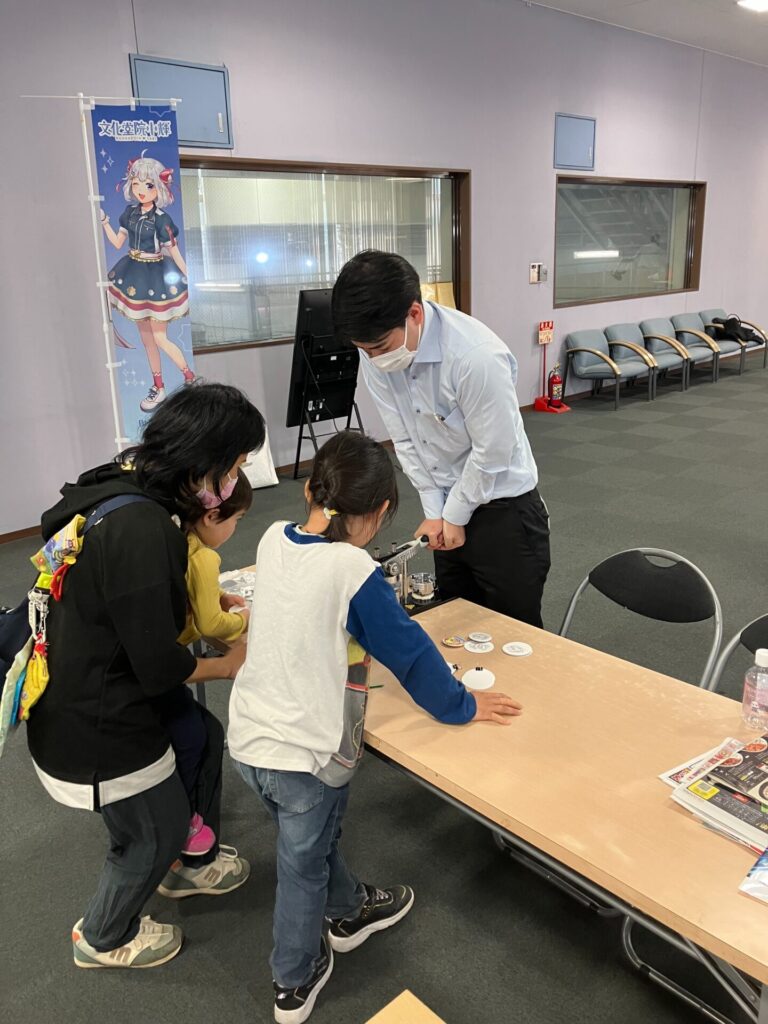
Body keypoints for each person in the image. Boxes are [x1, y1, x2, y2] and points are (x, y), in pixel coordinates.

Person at [228, 430, 522, 1024]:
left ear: (310, 490)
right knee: (302, 864)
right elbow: (407, 650)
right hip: (303, 754)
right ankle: (293, 979)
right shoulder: (353, 568)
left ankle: (351, 909)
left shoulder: (271, 537)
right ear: (382, 510)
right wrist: (462, 704)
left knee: (310, 839)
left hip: (248, 737)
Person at [26, 383, 265, 970]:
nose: (234, 479)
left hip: (96, 670)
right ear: (206, 462)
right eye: (234, 466)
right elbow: (160, 667)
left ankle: (190, 863)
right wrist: (226, 665)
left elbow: (133, 600)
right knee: (150, 831)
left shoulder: (123, 481)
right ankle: (103, 936)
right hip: (94, 716)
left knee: (203, 737)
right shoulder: (142, 528)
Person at [332, 250, 551, 628]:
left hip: (505, 512)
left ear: (414, 314)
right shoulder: (374, 352)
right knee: (455, 626)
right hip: (448, 506)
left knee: (515, 636)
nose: (374, 358)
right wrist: (435, 510)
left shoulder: (476, 357)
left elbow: (492, 452)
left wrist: (453, 514)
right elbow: (405, 439)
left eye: (379, 348)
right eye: (364, 350)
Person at [171, 468, 253, 856]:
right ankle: (188, 827)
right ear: (211, 516)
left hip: (161, 654)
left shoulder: (182, 539)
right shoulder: (205, 557)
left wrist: (216, 595)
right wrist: (243, 620)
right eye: (237, 520)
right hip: (166, 663)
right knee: (199, 737)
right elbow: (211, 625)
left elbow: (193, 593)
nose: (235, 529)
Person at [100, 153, 195, 412]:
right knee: (146, 339)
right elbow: (117, 243)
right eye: (136, 183)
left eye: (148, 184)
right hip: (133, 273)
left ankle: (189, 378)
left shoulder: (162, 219)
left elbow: (173, 252)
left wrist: (190, 277)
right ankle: (158, 386)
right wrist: (105, 222)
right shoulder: (129, 213)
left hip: (156, 276)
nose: (141, 189)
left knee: (160, 337)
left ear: (159, 187)